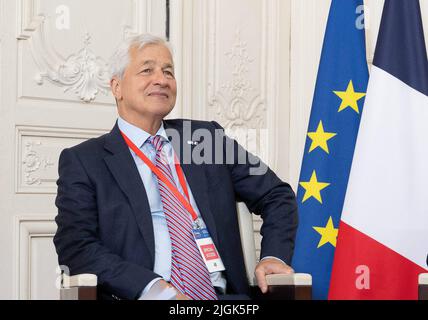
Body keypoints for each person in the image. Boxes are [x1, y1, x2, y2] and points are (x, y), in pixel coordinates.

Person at [53, 33, 298, 300]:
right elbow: (76, 246)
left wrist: (273, 255)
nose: (161, 79)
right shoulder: (85, 161)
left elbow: (276, 194)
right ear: (117, 87)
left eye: (168, 71)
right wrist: (154, 290)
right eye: (147, 70)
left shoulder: (205, 140)